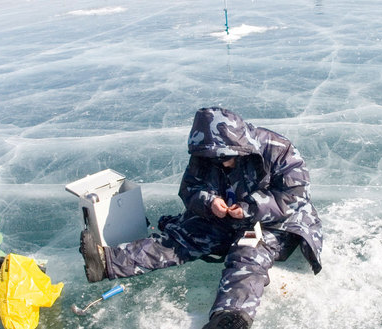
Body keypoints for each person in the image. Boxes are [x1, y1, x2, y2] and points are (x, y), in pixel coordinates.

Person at [79, 107, 323, 329]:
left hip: (277, 224)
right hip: (227, 219)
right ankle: (107, 263)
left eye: (227, 158)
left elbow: (295, 197)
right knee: (183, 237)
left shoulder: (277, 149)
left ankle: (230, 317)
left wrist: (248, 209)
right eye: (216, 159)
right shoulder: (206, 154)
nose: (223, 164)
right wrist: (209, 203)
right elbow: (189, 190)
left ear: (240, 146)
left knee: (247, 253)